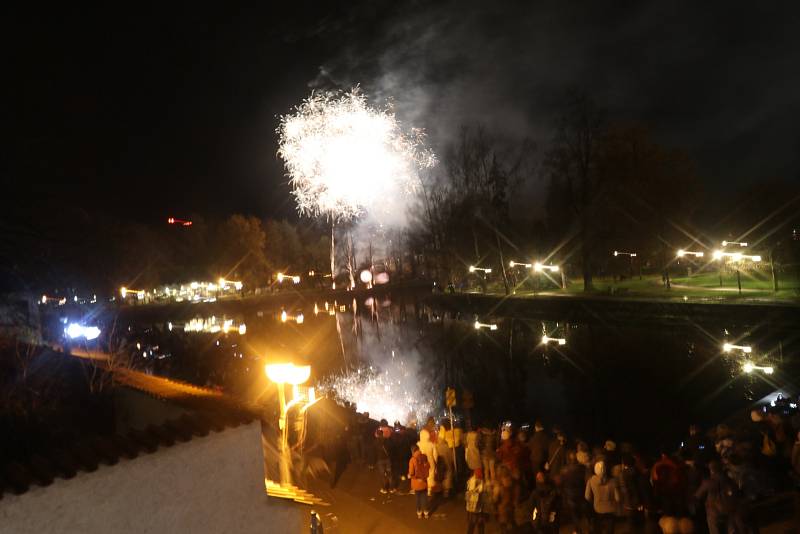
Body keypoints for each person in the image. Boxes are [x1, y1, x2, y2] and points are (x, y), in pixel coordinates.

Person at [694, 460, 746, 534]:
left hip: (715, 510)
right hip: (730, 507)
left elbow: (697, 495)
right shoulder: (728, 479)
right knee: (732, 520)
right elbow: (736, 490)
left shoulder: (708, 482)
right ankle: (732, 530)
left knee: (712, 522)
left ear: (711, 470)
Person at [585, 460, 618, 534]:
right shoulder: (613, 481)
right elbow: (617, 498)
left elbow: (587, 497)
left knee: (598, 530)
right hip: (611, 509)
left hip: (597, 509)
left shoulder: (590, 481)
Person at [408, 444, 431, 519]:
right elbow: (428, 466)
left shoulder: (412, 459)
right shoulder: (424, 456)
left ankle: (419, 513)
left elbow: (411, 472)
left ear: (412, 451)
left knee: (417, 497)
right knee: (424, 497)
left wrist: (410, 476)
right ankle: (426, 512)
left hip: (416, 482)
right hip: (424, 481)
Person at [465, 468, 490, 534]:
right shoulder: (475, 481)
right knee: (476, 525)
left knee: (475, 525)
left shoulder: (472, 481)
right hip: (476, 507)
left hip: (476, 507)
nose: (480, 474)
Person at [375, 419, 394, 493]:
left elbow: (374, 451)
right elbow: (390, 448)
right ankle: (392, 488)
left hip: (380, 460)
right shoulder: (387, 440)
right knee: (389, 474)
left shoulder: (375, 442)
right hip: (387, 459)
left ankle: (384, 489)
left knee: (382, 475)